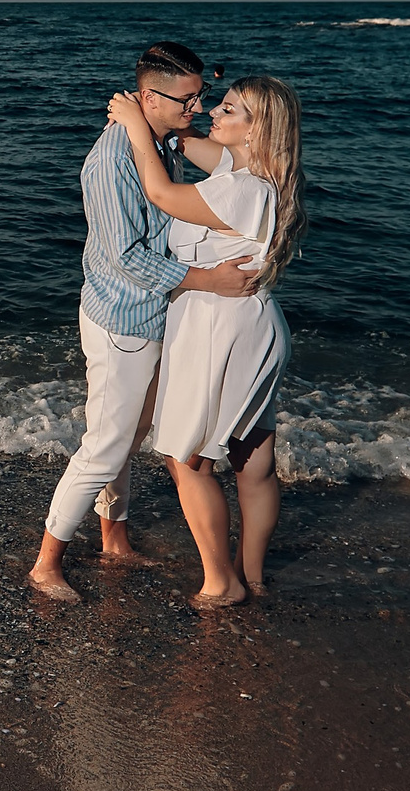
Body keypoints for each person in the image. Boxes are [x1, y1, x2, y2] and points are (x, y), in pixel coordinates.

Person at [26, 42, 261, 604]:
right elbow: (127, 256)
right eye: (189, 98)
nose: (199, 107)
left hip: (156, 315)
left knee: (129, 438)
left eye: (204, 95)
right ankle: (46, 562)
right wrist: (209, 281)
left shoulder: (156, 141)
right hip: (123, 322)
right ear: (149, 96)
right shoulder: (111, 162)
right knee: (105, 445)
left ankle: (115, 540)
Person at [107, 76, 302, 607]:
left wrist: (131, 124)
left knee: (188, 456)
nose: (214, 111)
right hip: (255, 324)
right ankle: (254, 575)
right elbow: (195, 147)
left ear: (255, 128)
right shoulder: (255, 174)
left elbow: (161, 193)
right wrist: (166, 123)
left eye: (229, 109)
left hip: (218, 327)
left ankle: (223, 582)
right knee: (253, 457)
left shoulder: (239, 188)